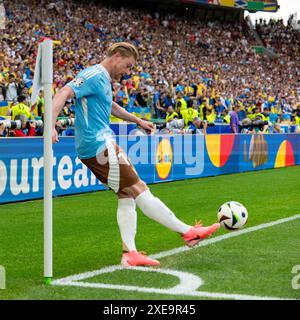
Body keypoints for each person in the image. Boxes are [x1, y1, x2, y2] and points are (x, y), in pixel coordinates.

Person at [52, 42, 220, 267]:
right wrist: (50, 125)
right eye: (128, 65)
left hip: (97, 145)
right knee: (139, 188)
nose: (127, 72)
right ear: (117, 56)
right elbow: (63, 92)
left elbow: (110, 106)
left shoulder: (103, 81)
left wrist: (138, 120)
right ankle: (188, 232)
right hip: (98, 145)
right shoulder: (93, 74)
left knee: (126, 194)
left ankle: (130, 253)